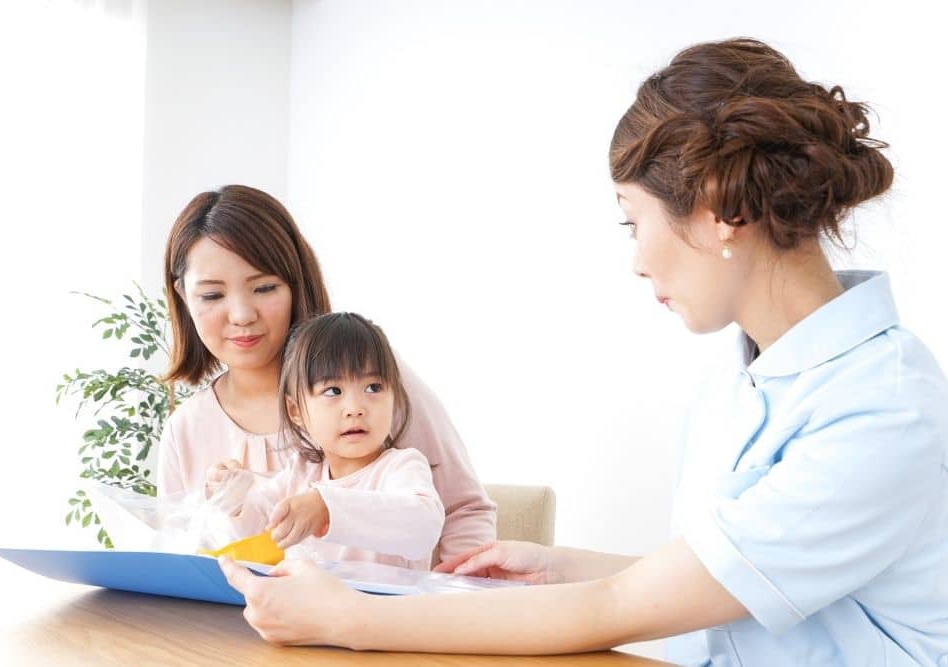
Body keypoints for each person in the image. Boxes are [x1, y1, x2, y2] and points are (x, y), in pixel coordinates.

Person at [217, 38, 948, 663]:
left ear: (728, 208)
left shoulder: (882, 403)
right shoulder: (745, 375)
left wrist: (352, 620)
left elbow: (627, 606)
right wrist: (557, 567)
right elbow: (727, 583)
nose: (636, 261)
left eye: (633, 222)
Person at [157, 184, 495, 564]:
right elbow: (187, 554)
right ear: (184, 297)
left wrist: (457, 609)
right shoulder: (186, 430)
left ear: (296, 283)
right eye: (212, 296)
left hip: (393, 618)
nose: (241, 315)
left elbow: (462, 512)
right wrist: (230, 501)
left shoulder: (372, 383)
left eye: (264, 287)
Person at [207, 312, 444, 570]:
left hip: (383, 610)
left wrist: (326, 508)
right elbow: (252, 526)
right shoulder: (298, 474)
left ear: (394, 397)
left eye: (373, 387)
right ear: (296, 411)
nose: (355, 408)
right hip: (306, 609)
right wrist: (233, 495)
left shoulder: (401, 467)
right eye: (333, 391)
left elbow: (423, 527)